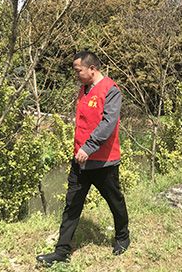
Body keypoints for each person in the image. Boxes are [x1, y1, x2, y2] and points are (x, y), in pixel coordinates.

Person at [37, 51, 130, 267]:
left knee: (114, 200)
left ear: (92, 69)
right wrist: (80, 150)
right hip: (79, 160)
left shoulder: (111, 90)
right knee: (72, 205)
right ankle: (61, 251)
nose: (76, 74)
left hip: (103, 161)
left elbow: (108, 124)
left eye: (78, 70)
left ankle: (122, 236)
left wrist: (88, 147)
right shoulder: (83, 89)